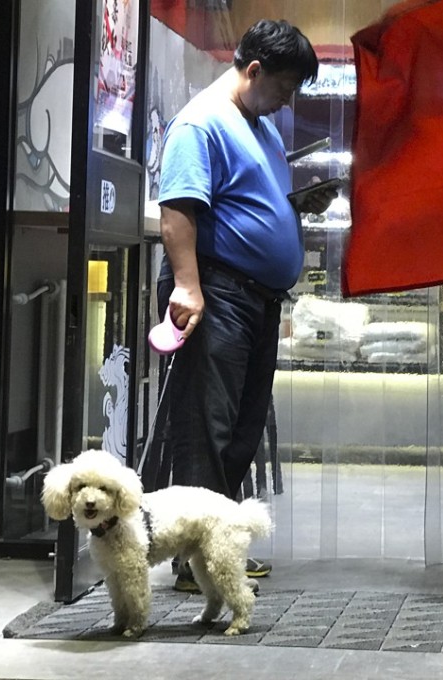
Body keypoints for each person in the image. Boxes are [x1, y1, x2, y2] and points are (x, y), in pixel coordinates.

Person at [156, 19, 337, 592]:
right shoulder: (201, 122)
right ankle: (196, 561)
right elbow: (178, 211)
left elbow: (248, 204)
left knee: (241, 426)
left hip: (256, 299)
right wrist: (188, 287)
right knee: (206, 426)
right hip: (218, 291)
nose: (288, 101)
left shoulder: (257, 125)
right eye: (284, 88)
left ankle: (216, 549)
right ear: (254, 70)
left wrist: (297, 208)